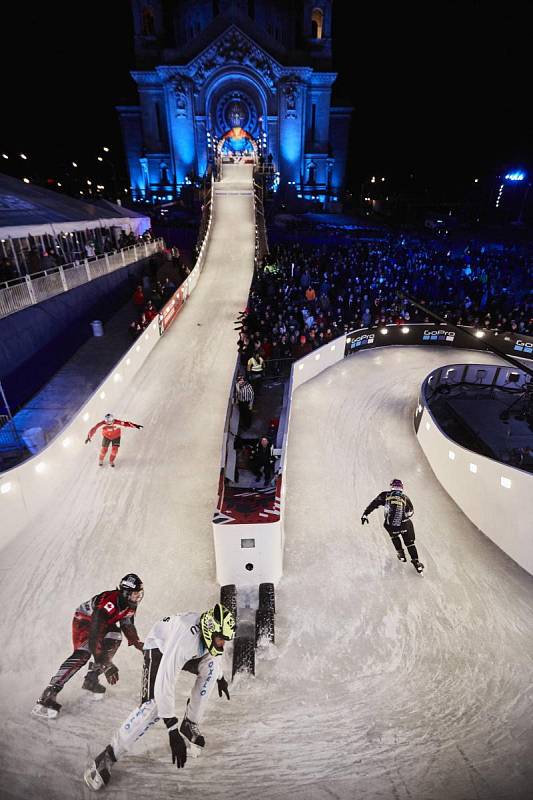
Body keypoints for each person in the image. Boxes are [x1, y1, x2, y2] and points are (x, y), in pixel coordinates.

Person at [84, 603, 236, 791]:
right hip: (159, 647)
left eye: (225, 640)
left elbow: (214, 658)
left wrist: (219, 678)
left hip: (189, 650)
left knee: (212, 670)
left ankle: (190, 723)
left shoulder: (210, 635)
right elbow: (166, 681)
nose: (222, 644)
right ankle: (107, 756)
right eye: (221, 639)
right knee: (154, 706)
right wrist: (172, 730)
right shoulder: (184, 640)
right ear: (209, 630)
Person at [32, 574, 144, 719]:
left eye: (139, 594)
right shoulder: (107, 604)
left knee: (115, 636)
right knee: (83, 654)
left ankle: (91, 679)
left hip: (101, 623)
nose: (138, 597)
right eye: (135, 594)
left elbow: (127, 624)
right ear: (126, 593)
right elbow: (94, 637)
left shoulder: (129, 605)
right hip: (85, 622)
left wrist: (138, 643)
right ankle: (49, 693)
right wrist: (106, 664)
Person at [361, 479, 424, 574]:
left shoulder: (385, 495)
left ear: (391, 487)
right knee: (410, 543)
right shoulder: (405, 498)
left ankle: (401, 554)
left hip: (390, 526)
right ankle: (416, 563)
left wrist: (365, 514)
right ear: (401, 488)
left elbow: (373, 504)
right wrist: (404, 516)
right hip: (404, 526)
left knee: (394, 535)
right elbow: (411, 511)